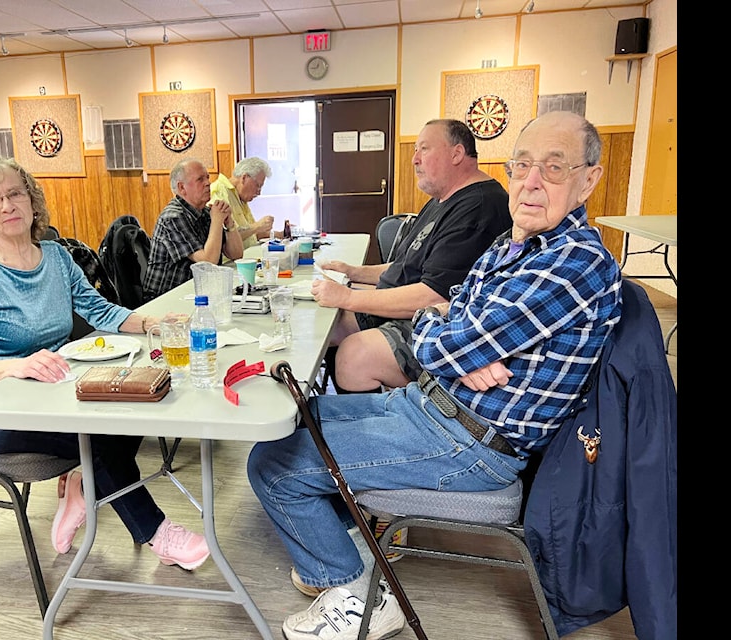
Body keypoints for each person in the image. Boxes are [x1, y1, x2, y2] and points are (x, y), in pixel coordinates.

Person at [247, 111, 622, 640]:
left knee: (274, 464)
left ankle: (358, 595)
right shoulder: (519, 243)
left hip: (470, 444)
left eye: (554, 168)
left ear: (590, 178)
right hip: (435, 407)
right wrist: (456, 344)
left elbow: (449, 332)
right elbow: (451, 311)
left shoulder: (573, 262)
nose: (531, 181)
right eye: (523, 165)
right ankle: (347, 547)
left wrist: (458, 344)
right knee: (290, 420)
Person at [0, 156, 210, 569]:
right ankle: (156, 532)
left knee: (130, 410)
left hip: (46, 396)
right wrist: (17, 366)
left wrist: (154, 322)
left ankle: (82, 485)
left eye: (15, 193)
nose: (7, 205)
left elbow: (100, 310)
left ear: (31, 201)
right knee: (96, 439)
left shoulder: (57, 258)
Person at [312, 119, 511, 393]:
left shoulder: (479, 206)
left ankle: (367, 429)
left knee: (353, 356)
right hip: (406, 306)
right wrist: (353, 272)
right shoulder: (442, 199)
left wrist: (349, 296)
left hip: (437, 323)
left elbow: (436, 295)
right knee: (324, 324)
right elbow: (407, 266)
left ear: (456, 154)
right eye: (415, 150)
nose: (415, 159)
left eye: (424, 149)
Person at [142, 158, 244, 301]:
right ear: (182, 188)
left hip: (196, 293)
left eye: (207, 177)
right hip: (165, 298)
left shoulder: (204, 212)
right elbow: (208, 263)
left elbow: (236, 254)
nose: (208, 183)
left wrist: (229, 223)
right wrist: (216, 221)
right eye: (200, 179)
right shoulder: (173, 217)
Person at [209, 156, 277, 252]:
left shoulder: (240, 196)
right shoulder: (220, 192)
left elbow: (251, 235)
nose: (259, 193)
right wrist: (257, 226)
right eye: (257, 186)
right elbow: (225, 238)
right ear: (244, 178)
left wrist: (282, 233)